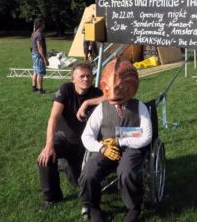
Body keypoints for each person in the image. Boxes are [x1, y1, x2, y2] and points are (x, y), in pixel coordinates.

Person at [80, 59, 152, 222]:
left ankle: (134, 208)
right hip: (105, 148)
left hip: (132, 149)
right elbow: (86, 136)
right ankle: (93, 206)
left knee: (126, 172)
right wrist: (101, 148)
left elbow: (146, 136)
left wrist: (120, 141)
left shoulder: (139, 106)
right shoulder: (102, 108)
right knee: (89, 171)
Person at [37, 62, 106, 212]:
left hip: (85, 145)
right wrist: (49, 146)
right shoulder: (65, 89)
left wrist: (87, 102)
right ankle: (52, 197)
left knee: (77, 182)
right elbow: (53, 118)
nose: (86, 79)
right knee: (45, 158)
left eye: (89, 76)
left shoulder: (96, 92)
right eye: (82, 76)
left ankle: (66, 165)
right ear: (73, 78)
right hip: (64, 138)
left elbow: (111, 97)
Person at [31, 18, 48, 94]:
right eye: (43, 23)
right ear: (40, 24)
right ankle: (40, 90)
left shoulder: (34, 33)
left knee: (35, 71)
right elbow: (40, 48)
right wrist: (44, 59)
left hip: (34, 54)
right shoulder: (39, 34)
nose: (44, 25)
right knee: (40, 73)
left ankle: (34, 87)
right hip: (38, 55)